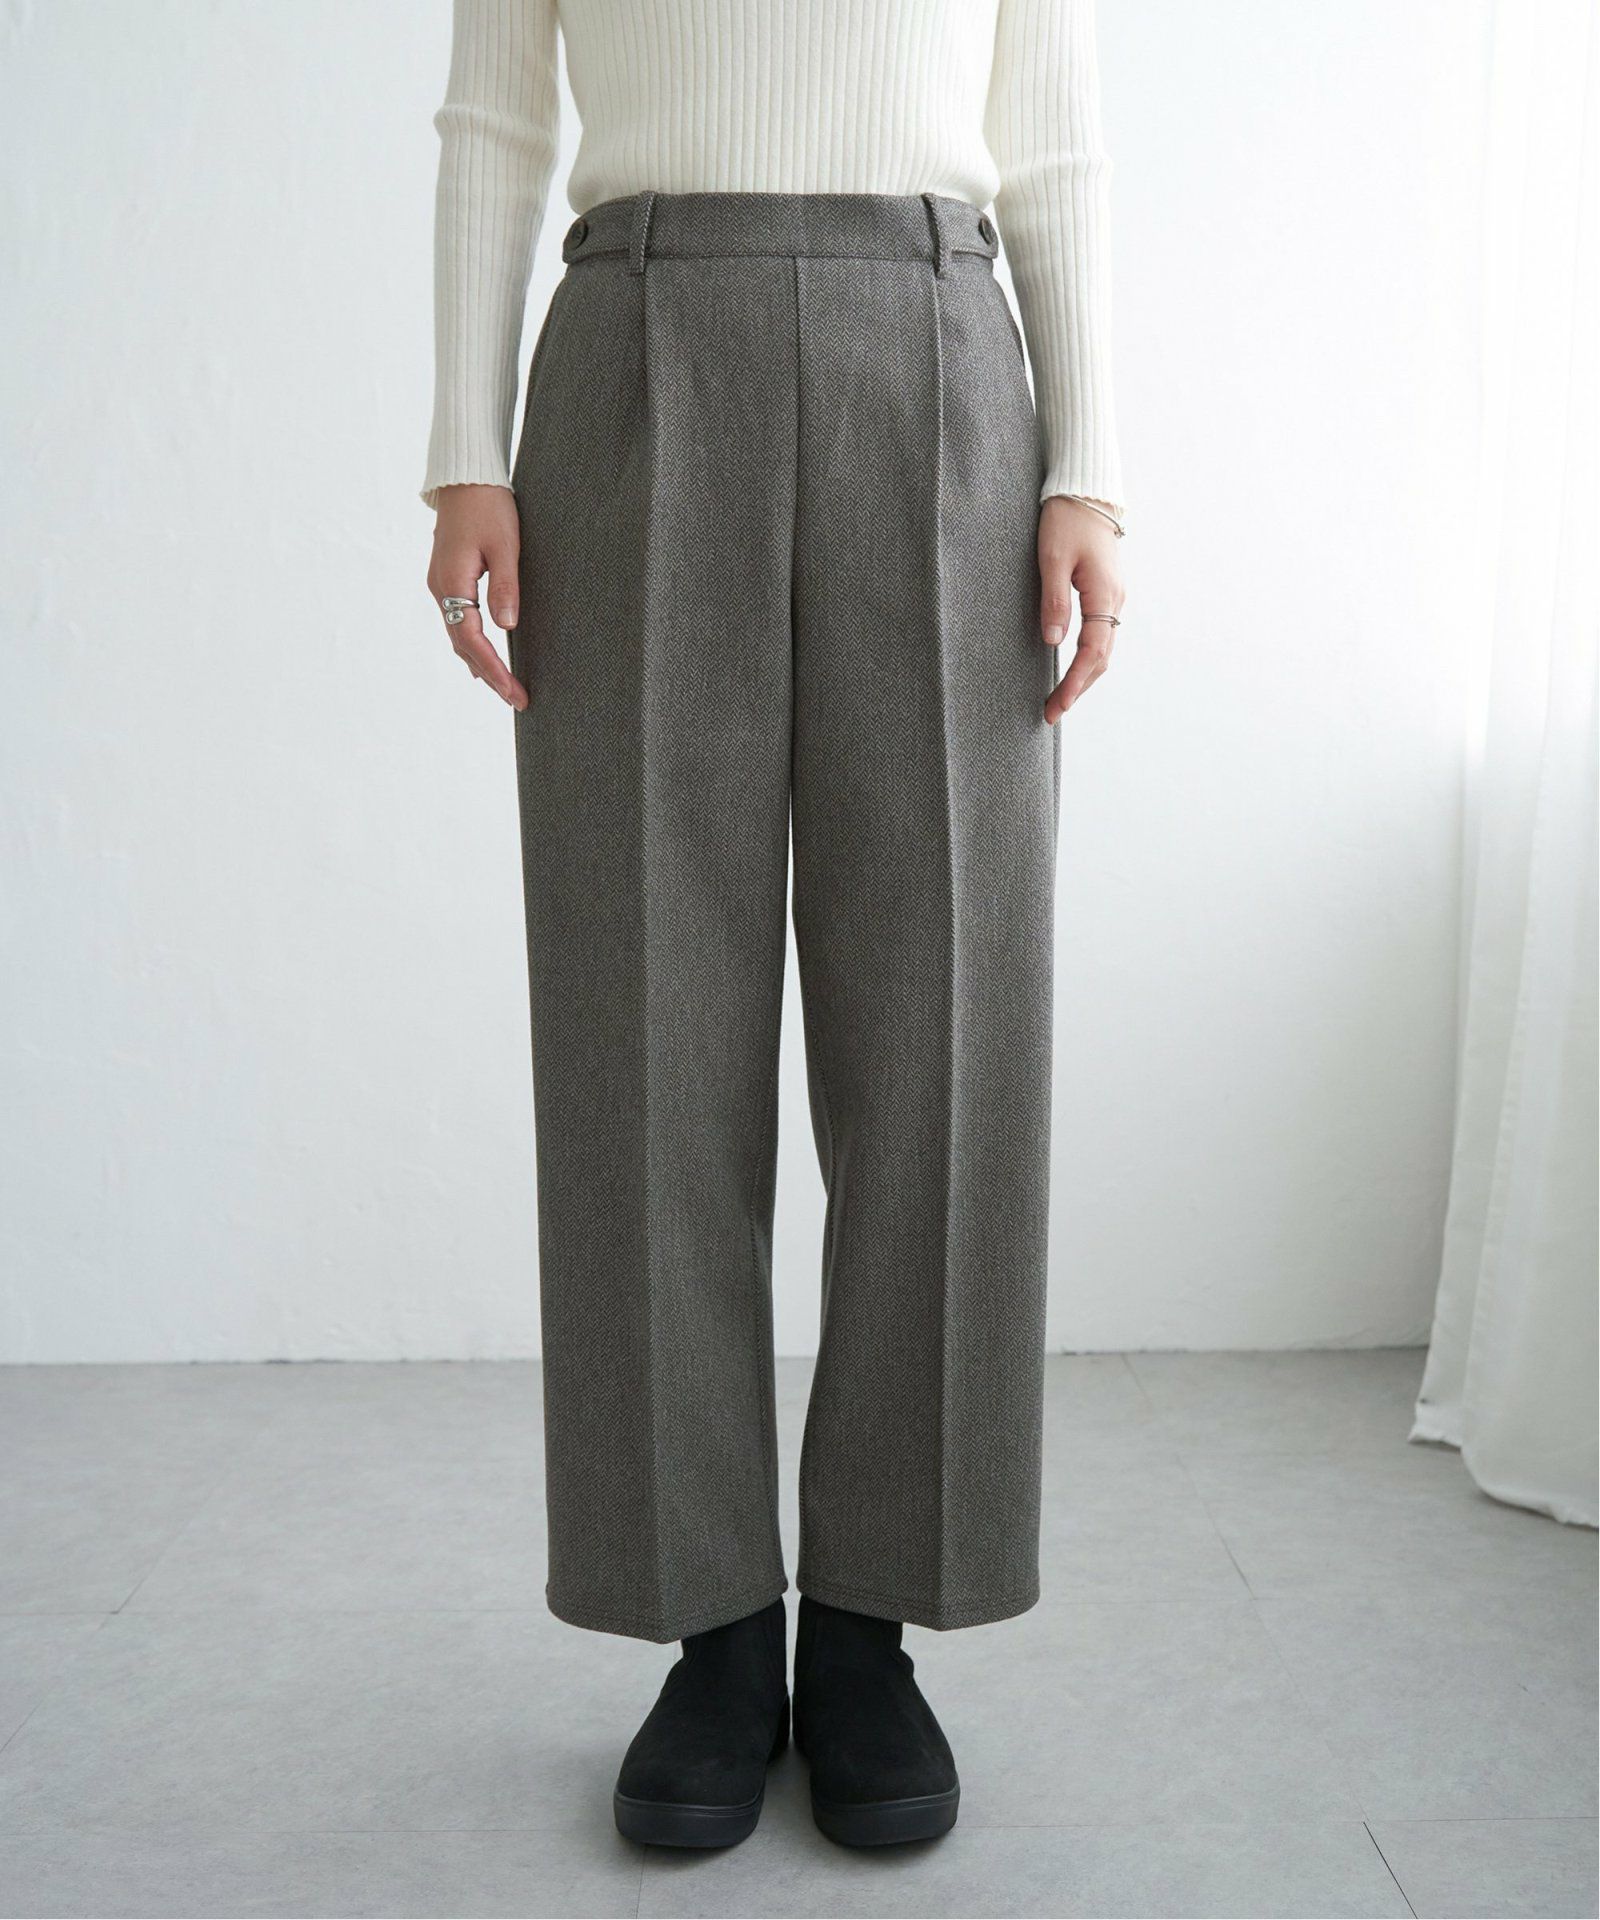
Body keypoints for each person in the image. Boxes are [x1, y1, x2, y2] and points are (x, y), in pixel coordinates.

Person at [422, 0, 1127, 1852]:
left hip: (938, 344)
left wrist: (1089, 471)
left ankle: (874, 1625)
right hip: (638, 342)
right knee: (642, 1018)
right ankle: (714, 1626)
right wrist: (463, 447)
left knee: (943, 1019)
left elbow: (1053, 140)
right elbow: (494, 119)